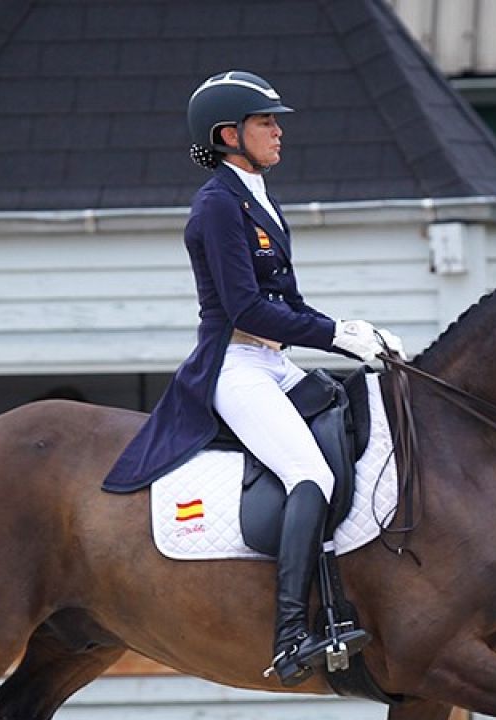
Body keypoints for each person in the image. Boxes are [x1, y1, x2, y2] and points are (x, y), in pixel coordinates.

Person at [103, 70, 407, 686]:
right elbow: (246, 308)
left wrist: (357, 334)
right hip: (234, 365)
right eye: (266, 122)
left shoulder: (258, 197)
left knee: (350, 425)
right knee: (310, 473)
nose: (278, 131)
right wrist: (335, 336)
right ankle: (292, 633)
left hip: (273, 362)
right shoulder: (217, 204)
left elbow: (287, 304)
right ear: (229, 134)